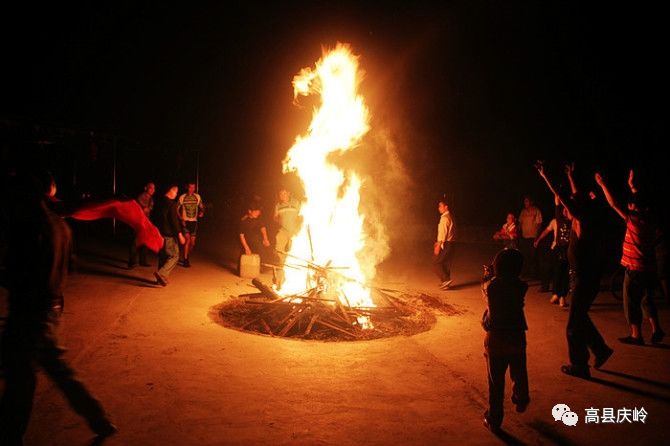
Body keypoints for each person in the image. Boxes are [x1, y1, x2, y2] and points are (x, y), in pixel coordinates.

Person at [0, 170, 116, 444]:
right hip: (50, 308)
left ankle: (10, 435)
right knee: (57, 372)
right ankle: (99, 419)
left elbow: (20, 273)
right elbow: (71, 266)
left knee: (22, 378)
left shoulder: (30, 227)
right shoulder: (61, 226)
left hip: (30, 312)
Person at [537, 162, 613, 378]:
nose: (564, 209)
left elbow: (561, 196)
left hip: (584, 280)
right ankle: (601, 349)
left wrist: (545, 176)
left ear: (576, 208)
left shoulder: (581, 221)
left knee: (572, 326)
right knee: (581, 318)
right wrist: (571, 176)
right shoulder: (586, 217)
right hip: (586, 279)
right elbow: (571, 195)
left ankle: (579, 365)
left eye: (569, 207)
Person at [595, 170, 665, 345]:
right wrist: (632, 186)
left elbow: (613, 204)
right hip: (649, 268)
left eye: (631, 205)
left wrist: (602, 184)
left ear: (634, 207)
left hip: (634, 269)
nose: (628, 206)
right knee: (646, 299)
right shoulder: (651, 220)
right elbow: (639, 201)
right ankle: (656, 329)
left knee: (631, 301)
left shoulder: (633, 221)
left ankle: (636, 335)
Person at [481, 248, 529, 432]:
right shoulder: (521, 286)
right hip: (517, 335)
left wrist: (487, 276)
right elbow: (510, 282)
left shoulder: (492, 287)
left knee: (496, 382)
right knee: (519, 371)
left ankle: (495, 418)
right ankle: (521, 398)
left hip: (497, 338)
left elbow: (486, 290)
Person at [534, 195, 571, 308]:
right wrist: (557, 196)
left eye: (567, 210)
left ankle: (561, 297)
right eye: (563, 209)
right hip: (557, 249)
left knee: (565, 274)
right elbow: (557, 207)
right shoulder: (557, 221)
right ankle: (556, 294)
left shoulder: (573, 222)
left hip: (568, 250)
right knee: (557, 272)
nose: (565, 211)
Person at [153, 184, 185, 286]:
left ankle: (159, 280)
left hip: (159, 233)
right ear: (170, 191)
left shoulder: (159, 202)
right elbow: (174, 220)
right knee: (174, 255)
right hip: (168, 234)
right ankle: (161, 274)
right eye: (175, 192)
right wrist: (180, 234)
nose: (176, 194)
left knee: (163, 256)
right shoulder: (172, 204)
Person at [273, 187, 301, 290]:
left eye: (284, 194)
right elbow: (275, 217)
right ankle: (280, 277)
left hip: (294, 232)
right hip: (283, 231)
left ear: (289, 193)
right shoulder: (278, 206)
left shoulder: (295, 203)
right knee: (279, 252)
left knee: (292, 253)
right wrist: (278, 220)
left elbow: (302, 215)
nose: (282, 196)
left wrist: (298, 227)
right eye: (280, 194)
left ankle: (293, 276)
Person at [128, 181, 155, 268]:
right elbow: (138, 207)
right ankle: (132, 262)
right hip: (138, 222)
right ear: (146, 188)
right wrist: (143, 208)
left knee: (145, 241)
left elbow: (150, 208)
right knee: (135, 241)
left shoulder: (151, 199)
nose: (153, 190)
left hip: (145, 222)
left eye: (154, 188)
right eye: (151, 188)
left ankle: (143, 260)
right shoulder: (141, 196)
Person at [178, 182, 205, 268]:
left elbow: (202, 206)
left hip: (194, 222)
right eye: (190, 187)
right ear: (187, 187)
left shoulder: (197, 197)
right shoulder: (182, 197)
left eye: (193, 188)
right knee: (188, 240)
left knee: (192, 243)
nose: (192, 189)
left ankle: (186, 255)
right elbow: (176, 209)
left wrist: (202, 212)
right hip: (185, 221)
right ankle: (186, 260)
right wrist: (181, 218)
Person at [239, 200, 272, 265]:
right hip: (245, 240)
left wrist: (265, 239)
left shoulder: (258, 217)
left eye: (258, 212)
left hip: (256, 238)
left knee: (265, 246)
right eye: (256, 212)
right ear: (250, 211)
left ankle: (264, 264)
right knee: (245, 258)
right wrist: (246, 248)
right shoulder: (244, 221)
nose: (257, 213)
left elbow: (262, 227)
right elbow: (241, 236)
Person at [518, 196, 542, 278]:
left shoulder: (536, 210)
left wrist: (537, 237)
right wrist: (518, 234)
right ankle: (525, 273)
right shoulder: (523, 212)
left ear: (531, 202)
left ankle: (534, 274)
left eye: (527, 201)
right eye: (524, 202)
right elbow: (520, 223)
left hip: (533, 237)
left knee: (533, 256)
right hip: (525, 237)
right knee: (525, 256)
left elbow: (539, 224)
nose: (525, 203)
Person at [434, 197, 455, 290]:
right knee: (445, 264)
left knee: (436, 263)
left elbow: (443, 233)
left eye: (440, 206)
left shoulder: (445, 218)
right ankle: (446, 284)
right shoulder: (450, 216)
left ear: (446, 207)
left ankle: (446, 280)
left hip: (447, 244)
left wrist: (438, 245)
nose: (439, 208)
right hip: (451, 244)